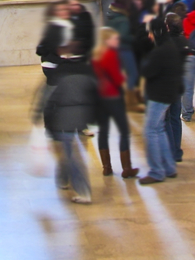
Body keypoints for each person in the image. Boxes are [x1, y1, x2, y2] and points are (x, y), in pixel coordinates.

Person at [44, 37, 99, 204]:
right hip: (81, 116)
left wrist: (48, 124)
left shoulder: (61, 70)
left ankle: (83, 191)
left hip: (64, 117)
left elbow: (50, 98)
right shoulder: (89, 69)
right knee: (67, 149)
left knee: (71, 153)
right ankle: (62, 179)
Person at [140, 9, 188, 184]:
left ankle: (157, 171)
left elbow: (146, 71)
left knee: (150, 131)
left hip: (159, 95)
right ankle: (168, 166)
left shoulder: (160, 52)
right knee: (159, 130)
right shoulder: (170, 46)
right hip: (169, 93)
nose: (150, 36)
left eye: (150, 32)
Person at [93, 26, 135, 178]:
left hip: (100, 98)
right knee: (124, 131)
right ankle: (127, 168)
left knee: (103, 132)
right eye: (115, 38)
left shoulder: (96, 55)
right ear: (107, 39)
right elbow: (116, 77)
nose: (117, 40)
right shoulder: (110, 54)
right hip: (113, 96)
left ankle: (106, 167)